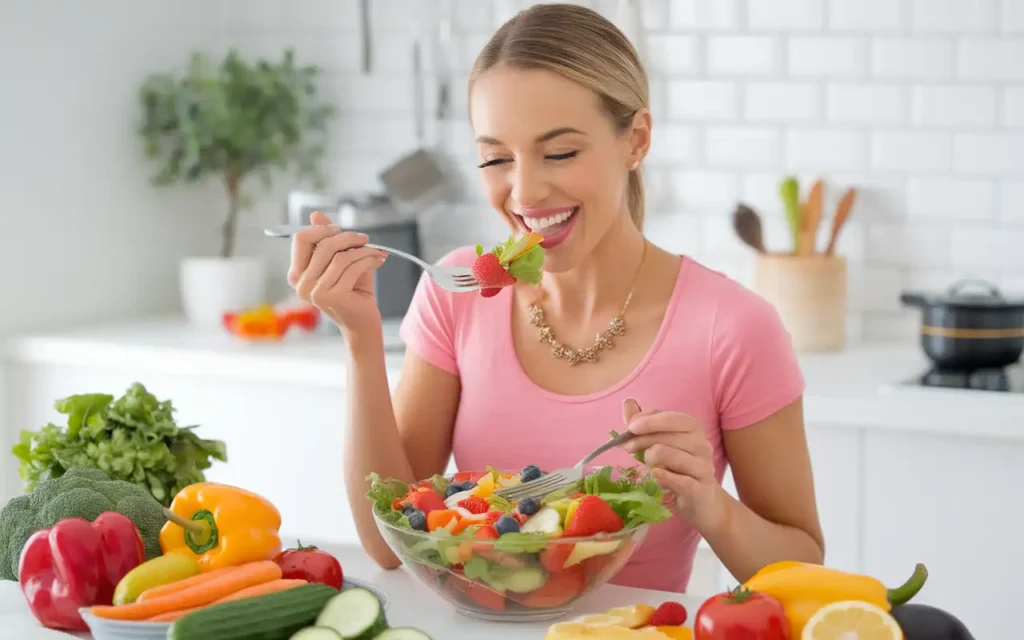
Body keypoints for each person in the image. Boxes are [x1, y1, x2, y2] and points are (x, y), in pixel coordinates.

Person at [286, 3, 824, 593]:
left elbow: (802, 567)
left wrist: (714, 508)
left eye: (560, 152)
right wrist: (361, 341)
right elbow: (390, 543)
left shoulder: (734, 328)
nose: (526, 191)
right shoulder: (458, 292)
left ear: (636, 140)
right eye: (496, 158)